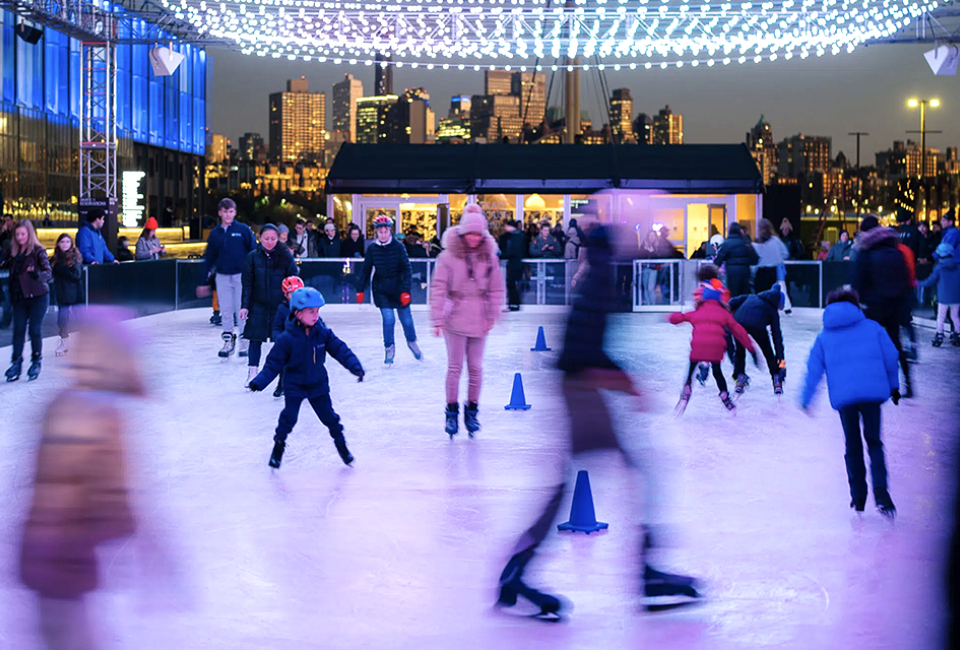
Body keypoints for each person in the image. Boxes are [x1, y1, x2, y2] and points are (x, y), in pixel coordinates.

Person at [496, 225, 701, 620]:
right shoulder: (603, 279)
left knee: (580, 479)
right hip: (582, 389)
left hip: (579, 387)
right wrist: (627, 385)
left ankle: (518, 569)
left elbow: (583, 345)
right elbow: (585, 350)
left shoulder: (595, 276)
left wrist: (621, 382)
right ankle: (643, 572)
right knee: (635, 468)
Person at [19, 310, 141, 650]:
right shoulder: (94, 416)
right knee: (66, 632)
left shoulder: (70, 406)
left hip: (58, 554)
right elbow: (105, 491)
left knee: (64, 629)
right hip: (58, 552)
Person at [800, 287, 899, 518]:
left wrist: (807, 399)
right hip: (873, 394)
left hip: (846, 398)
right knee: (874, 443)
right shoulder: (873, 327)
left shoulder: (824, 337)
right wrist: (894, 385)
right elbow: (891, 356)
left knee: (852, 446)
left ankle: (858, 497)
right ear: (855, 305)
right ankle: (882, 494)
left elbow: (813, 370)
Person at [249, 287, 365, 468]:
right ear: (297, 313)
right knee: (288, 419)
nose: (316, 315)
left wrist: (355, 367)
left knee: (330, 418)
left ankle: (343, 449)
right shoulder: (286, 339)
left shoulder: (322, 333)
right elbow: (273, 364)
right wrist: (259, 382)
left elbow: (340, 349)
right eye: (311, 311)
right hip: (295, 385)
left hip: (318, 384)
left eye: (318, 311)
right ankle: (278, 448)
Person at [430, 204, 504, 438]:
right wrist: (438, 319)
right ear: (462, 234)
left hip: (480, 319)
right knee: (455, 368)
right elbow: (438, 287)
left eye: (477, 234)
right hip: (454, 318)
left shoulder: (489, 257)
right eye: (469, 234)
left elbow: (496, 289)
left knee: (476, 368)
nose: (473, 238)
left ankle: (471, 412)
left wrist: (492, 314)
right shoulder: (448, 256)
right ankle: (451, 413)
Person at [670, 266, 755, 415]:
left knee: (693, 364)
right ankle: (724, 394)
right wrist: (751, 348)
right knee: (718, 370)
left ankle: (688, 384)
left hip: (699, 346)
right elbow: (738, 330)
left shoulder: (698, 305)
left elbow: (680, 317)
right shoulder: (721, 294)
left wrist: (670, 317)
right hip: (719, 339)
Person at [854, 215, 914, 398]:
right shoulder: (895, 250)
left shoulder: (865, 252)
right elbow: (905, 281)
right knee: (895, 344)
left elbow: (858, 282)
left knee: (868, 345)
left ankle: (870, 383)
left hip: (873, 307)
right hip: (894, 307)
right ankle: (908, 383)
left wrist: (859, 303)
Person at [356, 214, 422, 364]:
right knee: (388, 319)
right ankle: (389, 347)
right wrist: (360, 289)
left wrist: (406, 290)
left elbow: (406, 269)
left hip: (399, 289)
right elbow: (366, 270)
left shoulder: (398, 246)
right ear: (376, 233)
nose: (383, 235)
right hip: (382, 290)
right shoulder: (372, 249)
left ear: (390, 231)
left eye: (386, 231)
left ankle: (412, 341)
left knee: (406, 319)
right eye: (380, 232)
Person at [240, 224, 299, 388]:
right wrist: (245, 306)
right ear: (259, 238)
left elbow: (294, 278)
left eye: (273, 238)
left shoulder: (285, 255)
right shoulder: (252, 257)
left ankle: (283, 378)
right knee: (255, 339)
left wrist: (292, 304)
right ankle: (252, 374)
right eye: (266, 238)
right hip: (257, 305)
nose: (270, 242)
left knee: (280, 342)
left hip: (279, 307)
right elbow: (247, 284)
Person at [197, 198, 256, 359]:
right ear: (220, 213)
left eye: (230, 211)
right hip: (222, 277)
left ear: (234, 212)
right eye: (225, 211)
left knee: (241, 308)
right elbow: (209, 258)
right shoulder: (215, 234)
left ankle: (245, 339)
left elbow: (254, 251)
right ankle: (228, 339)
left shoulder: (243, 230)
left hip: (240, 276)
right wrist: (203, 281)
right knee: (226, 310)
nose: (228, 215)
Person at [2, 220, 52, 381]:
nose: (20, 237)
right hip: (19, 298)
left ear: (30, 234)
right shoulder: (13, 252)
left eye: (23, 234)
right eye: (17, 234)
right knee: (18, 331)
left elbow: (48, 273)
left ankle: (36, 361)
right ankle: (16, 363)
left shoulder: (38, 251)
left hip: (38, 297)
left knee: (34, 330)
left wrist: (38, 275)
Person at [729, 284, 786, 395]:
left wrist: (725, 312)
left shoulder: (751, 296)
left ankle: (740, 378)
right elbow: (777, 338)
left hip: (737, 323)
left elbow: (733, 301)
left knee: (740, 352)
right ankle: (776, 378)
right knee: (768, 352)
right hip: (757, 325)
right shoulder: (772, 311)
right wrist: (781, 363)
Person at [918, 243, 960, 348]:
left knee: (941, 316)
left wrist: (919, 283)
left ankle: (939, 334)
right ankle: (958, 334)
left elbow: (931, 281)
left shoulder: (939, 268)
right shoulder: (958, 267)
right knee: (955, 316)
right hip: (956, 297)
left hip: (943, 297)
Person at [270, 275, 305, 398]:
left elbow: (316, 323)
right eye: (292, 293)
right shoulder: (282, 309)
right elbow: (277, 326)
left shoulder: (307, 308)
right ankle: (281, 385)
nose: (295, 296)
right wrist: (278, 338)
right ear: (286, 294)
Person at [50, 233, 83, 358]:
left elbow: (76, 275)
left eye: (67, 242)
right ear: (58, 243)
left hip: (74, 294)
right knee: (62, 319)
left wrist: (61, 269)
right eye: (62, 242)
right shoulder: (54, 259)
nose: (65, 244)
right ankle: (64, 343)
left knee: (80, 318)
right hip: (61, 293)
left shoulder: (75, 257)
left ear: (71, 244)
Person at [713, 222, 758, 298]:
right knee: (744, 295)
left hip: (732, 273)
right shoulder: (746, 242)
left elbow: (719, 259)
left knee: (733, 295)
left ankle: (733, 309)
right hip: (745, 272)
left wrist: (715, 268)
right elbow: (755, 259)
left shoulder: (727, 243)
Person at [752, 218, 789, 293]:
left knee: (761, 296)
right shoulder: (776, 240)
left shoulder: (756, 243)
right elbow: (785, 254)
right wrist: (777, 258)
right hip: (774, 272)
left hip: (761, 272)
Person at [498, 219, 525, 311]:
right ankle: (514, 304)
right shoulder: (516, 236)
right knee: (512, 284)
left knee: (511, 284)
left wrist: (502, 255)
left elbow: (513, 251)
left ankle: (514, 304)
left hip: (514, 264)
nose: (505, 228)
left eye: (507, 226)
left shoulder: (515, 237)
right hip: (515, 263)